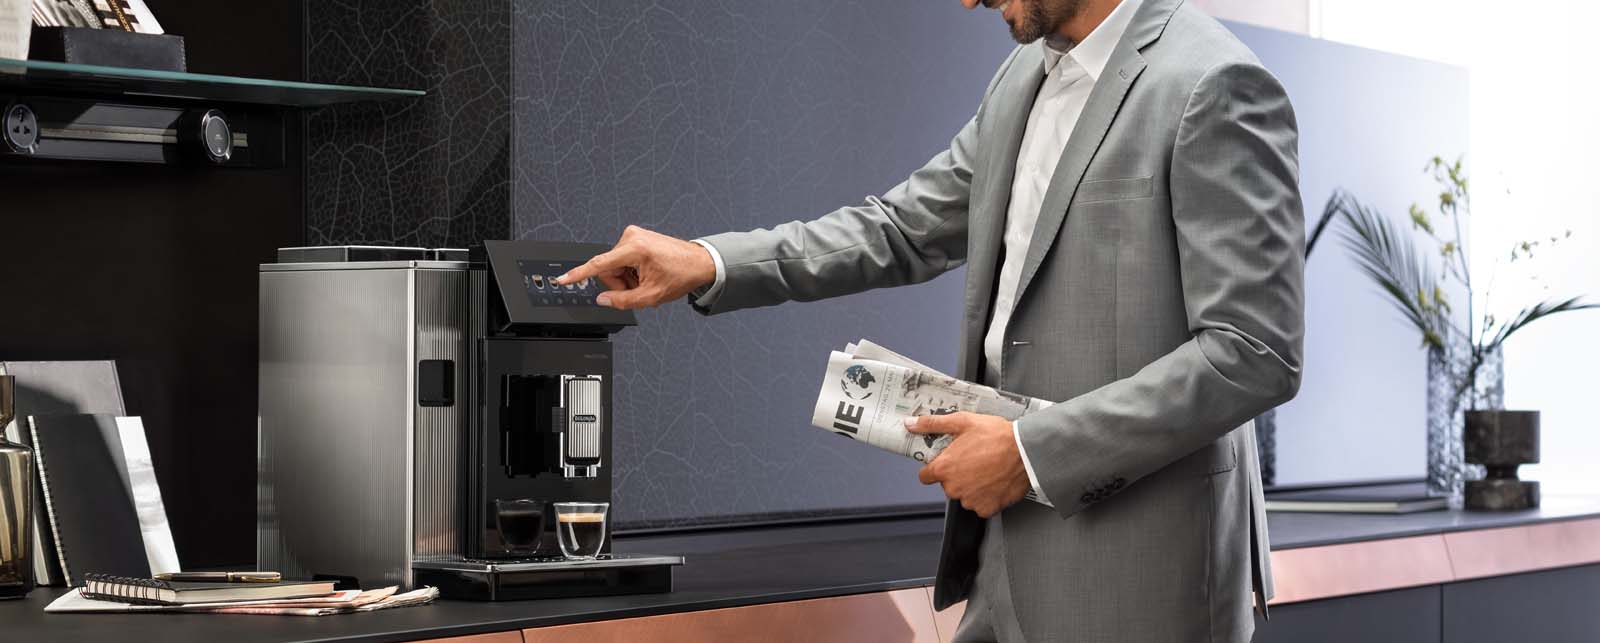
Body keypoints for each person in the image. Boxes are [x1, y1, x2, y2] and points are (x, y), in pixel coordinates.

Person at [555, 0, 1303, 640]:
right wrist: (709, 260)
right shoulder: (1022, 79)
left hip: (1141, 575)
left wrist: (1031, 451)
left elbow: (1252, 350)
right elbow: (899, 229)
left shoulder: (1214, 84)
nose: (969, 2)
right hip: (1002, 559)